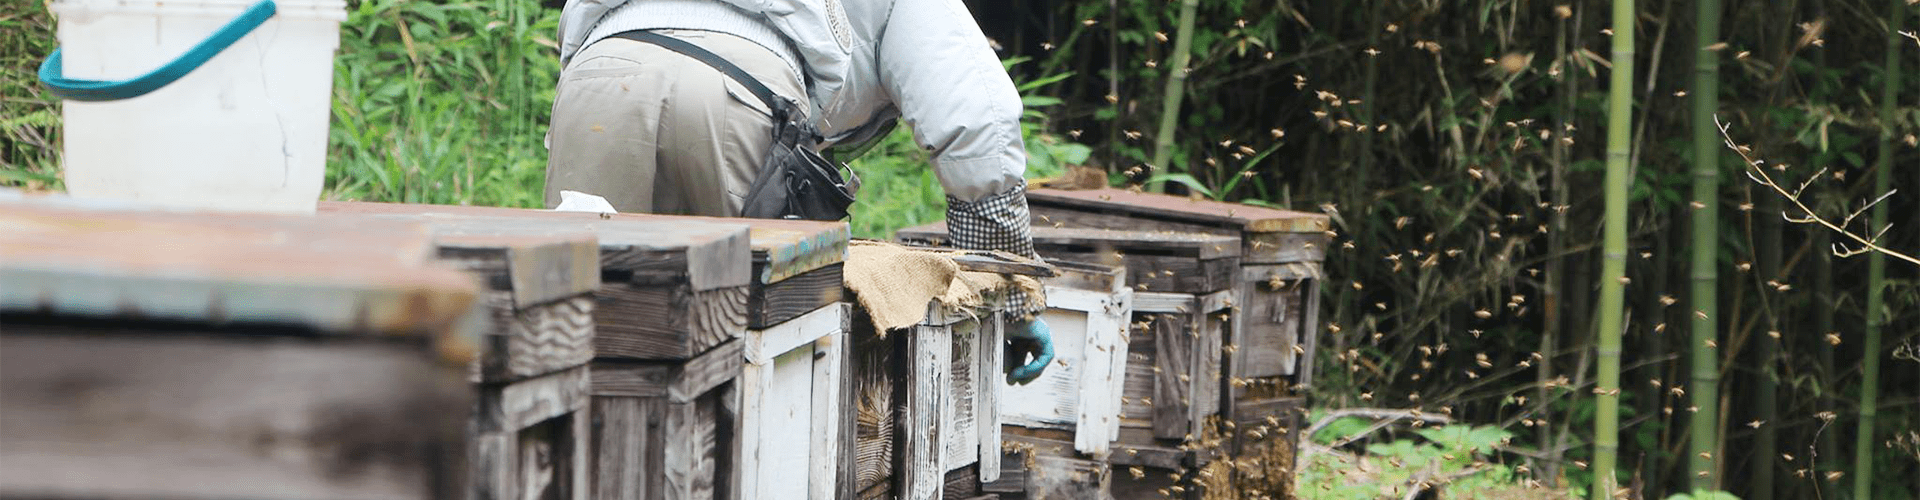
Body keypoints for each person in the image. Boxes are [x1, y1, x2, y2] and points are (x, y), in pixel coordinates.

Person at [545, 0, 1053, 383]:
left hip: (597, 78)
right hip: (739, 91)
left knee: (572, 336)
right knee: (747, 359)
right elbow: (974, 119)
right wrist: (1011, 291)